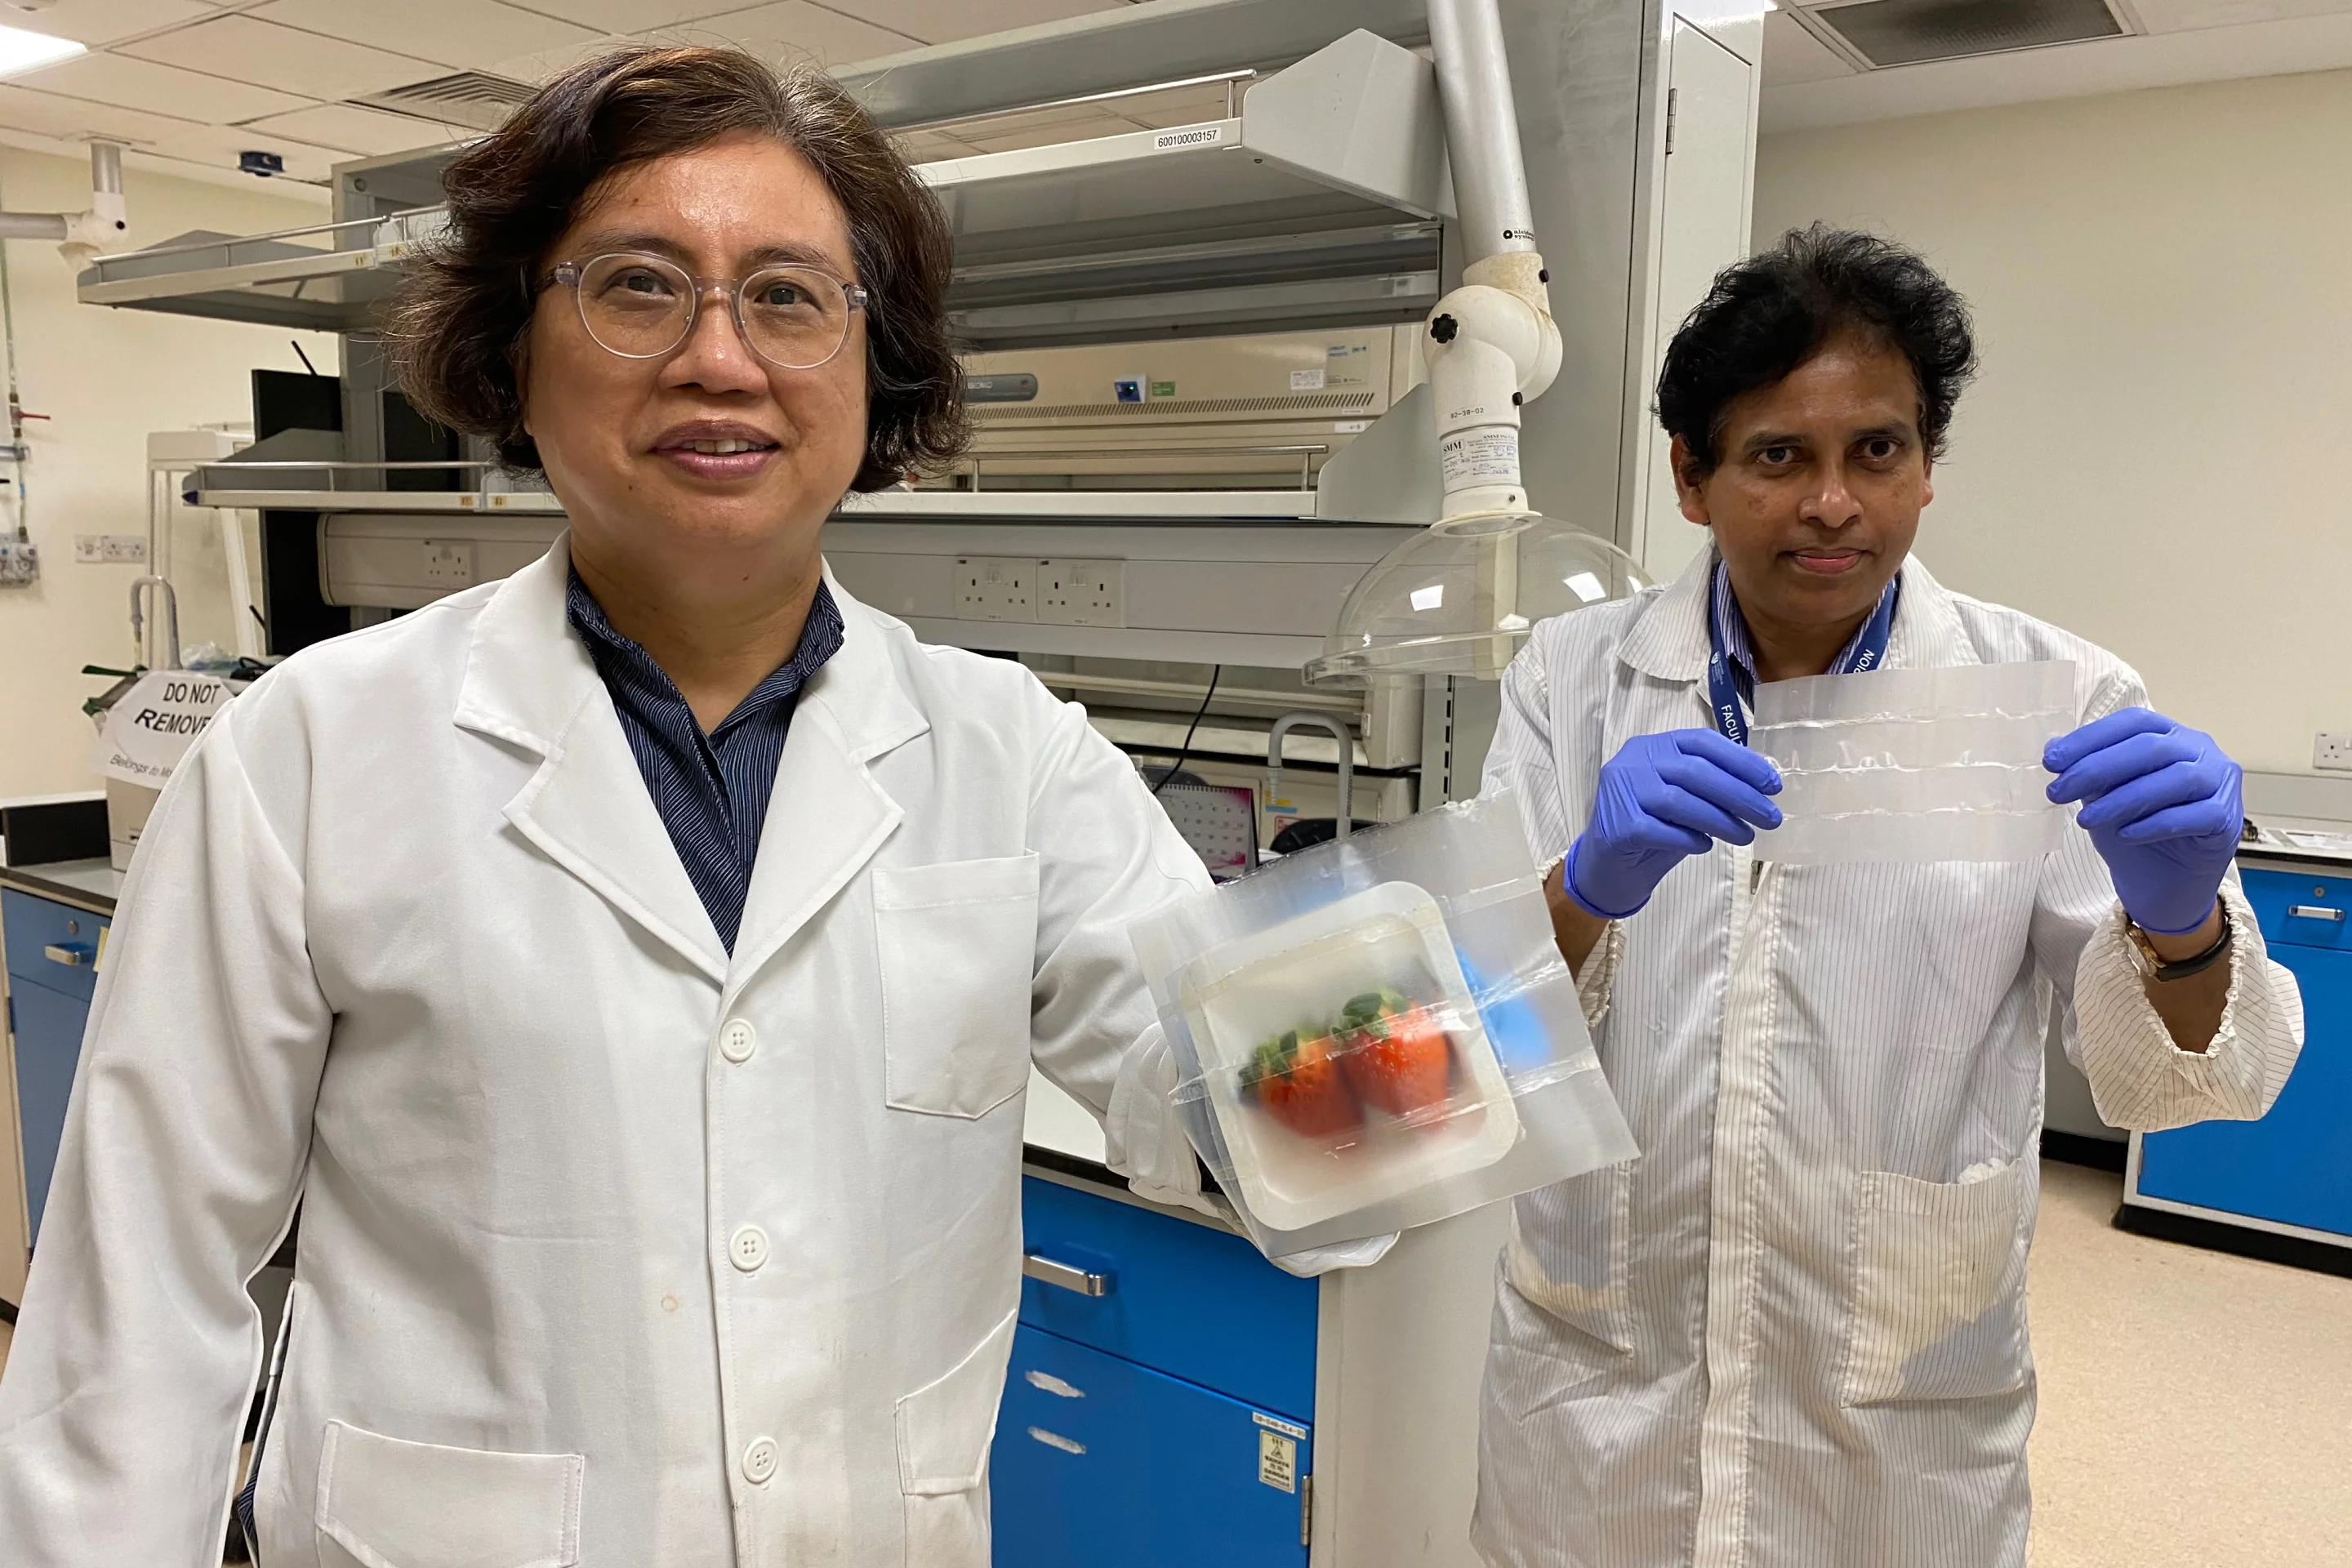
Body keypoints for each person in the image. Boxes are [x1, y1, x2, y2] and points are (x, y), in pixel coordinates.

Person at [0, 47, 1215, 1566]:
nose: (722, 357)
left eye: (789, 295)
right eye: (641, 286)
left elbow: (1247, 1095)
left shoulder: (1008, 750)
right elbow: (140, 1293)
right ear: (515, 354)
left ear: (872, 364)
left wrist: (1544, 922)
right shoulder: (311, 750)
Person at [1472, 226, 2304, 1568]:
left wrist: (2182, 920)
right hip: (1601, 1392)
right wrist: (1579, 891)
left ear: (1926, 470)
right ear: (1691, 478)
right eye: (1777, 457)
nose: (1834, 504)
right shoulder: (1573, 680)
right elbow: (1473, 1047)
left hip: (1894, 1418)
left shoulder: (2053, 699)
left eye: (1879, 451)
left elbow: (2183, 1094)